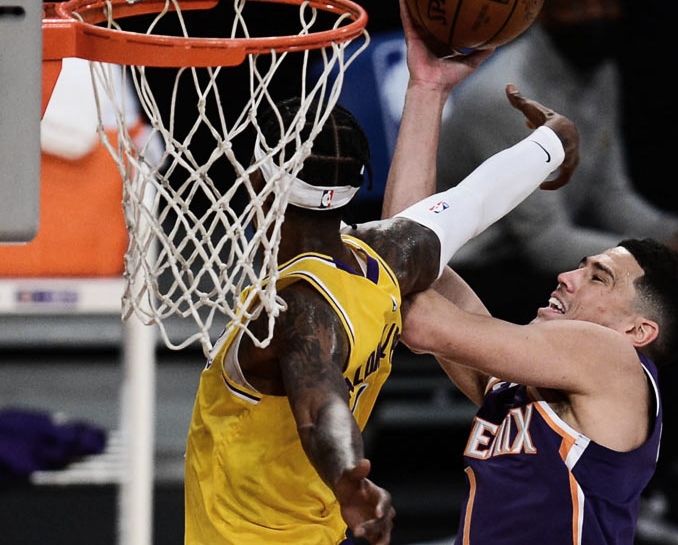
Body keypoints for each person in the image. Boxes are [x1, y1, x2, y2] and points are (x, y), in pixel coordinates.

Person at [183, 5, 582, 543]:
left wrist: (351, 482)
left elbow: (320, 408)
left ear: (258, 179)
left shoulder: (298, 307)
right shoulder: (387, 254)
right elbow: (473, 200)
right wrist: (554, 142)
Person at [380, 78, 678, 545]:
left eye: (598, 277)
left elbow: (416, 315)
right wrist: (429, 89)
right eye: (581, 266)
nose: (566, 277)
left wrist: (543, 150)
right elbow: (410, 248)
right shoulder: (525, 386)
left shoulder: (612, 358)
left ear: (636, 329)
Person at [434, 0, 678, 325]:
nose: (595, 15)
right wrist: (658, 256)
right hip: (469, 270)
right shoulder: (504, 96)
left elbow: (608, 195)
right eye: (578, 7)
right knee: (641, 306)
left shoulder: (600, 72)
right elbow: (544, 241)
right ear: (541, 12)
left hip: (535, 257)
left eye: (605, 4)